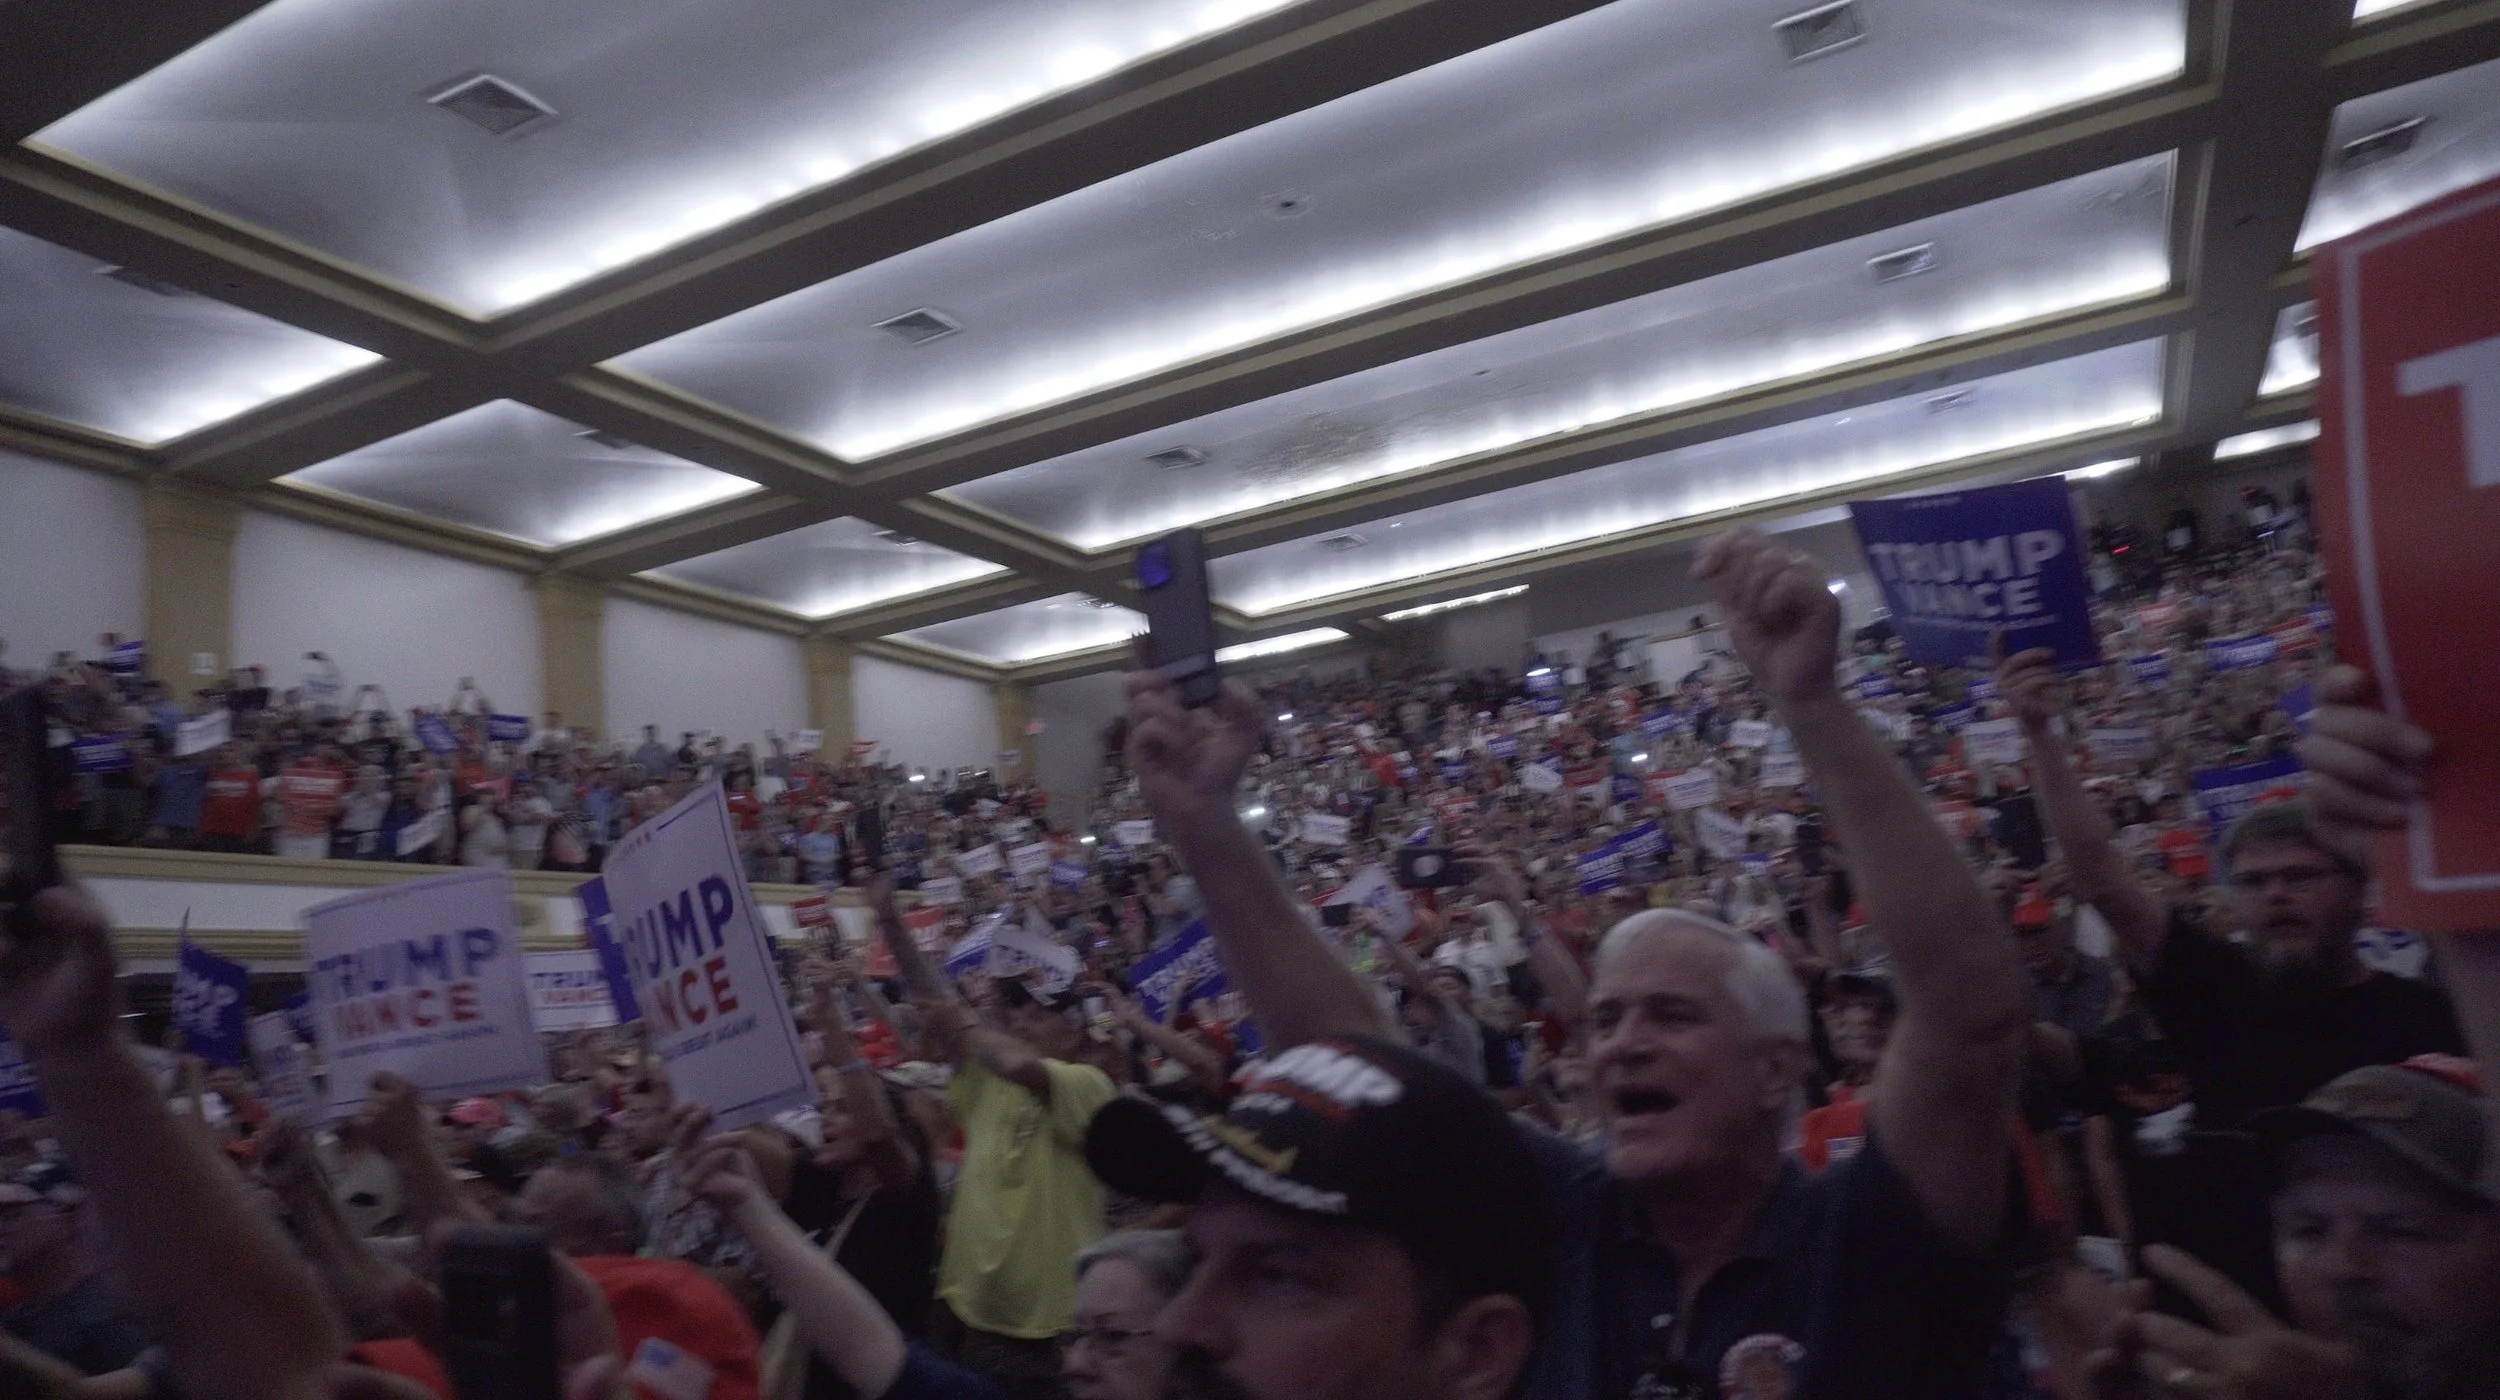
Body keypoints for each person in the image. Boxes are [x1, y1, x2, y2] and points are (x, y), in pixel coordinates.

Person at [1123, 528, 2035, 1400]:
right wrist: (1206, 831)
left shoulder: (1868, 1234)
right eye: (1604, 1019)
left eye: (1672, 1014)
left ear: (1778, 1068)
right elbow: (1352, 1057)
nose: (1622, 1045)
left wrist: (1813, 705)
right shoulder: (1558, 1215)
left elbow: (1967, 1012)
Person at [1996, 646, 2464, 1125]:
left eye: (2299, 876)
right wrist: (2040, 733)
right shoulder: (2215, 988)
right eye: (2253, 881)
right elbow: (2099, 877)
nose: (2275, 893)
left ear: (2359, 888)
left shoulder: (2434, 1016)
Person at [678, 1102, 1190, 1400]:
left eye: (1112, 1337)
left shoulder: (908, 1196)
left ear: (1192, 1352)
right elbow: (871, 1349)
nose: (1076, 1362)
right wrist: (749, 1208)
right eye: (1076, 1336)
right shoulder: (825, 1192)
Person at [872, 874, 1117, 1400]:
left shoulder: (1090, 1084)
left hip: (1041, 1328)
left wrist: (962, 1022)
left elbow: (1014, 1062)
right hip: (964, 1304)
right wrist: (891, 923)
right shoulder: (988, 1081)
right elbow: (935, 1001)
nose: (1024, 1021)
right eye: (1018, 1012)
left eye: (1039, 1014)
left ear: (1074, 1032)